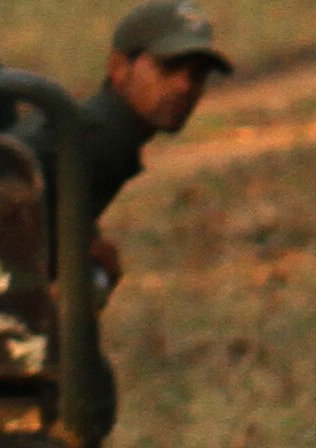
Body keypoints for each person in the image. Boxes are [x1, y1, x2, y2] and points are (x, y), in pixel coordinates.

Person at [85, 0, 231, 285]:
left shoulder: (110, 134)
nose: (185, 86)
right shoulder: (98, 139)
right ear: (119, 67)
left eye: (197, 74)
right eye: (169, 67)